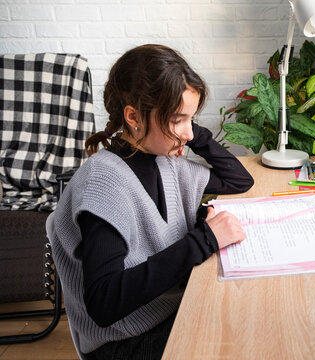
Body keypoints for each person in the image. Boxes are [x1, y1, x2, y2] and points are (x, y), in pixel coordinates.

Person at [50, 44, 254, 359]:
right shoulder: (104, 183)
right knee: (242, 339)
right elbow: (104, 304)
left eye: (192, 119)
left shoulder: (165, 162)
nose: (187, 133)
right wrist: (204, 240)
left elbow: (238, 180)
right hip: (124, 341)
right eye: (178, 119)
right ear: (133, 116)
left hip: (167, 310)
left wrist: (189, 131)